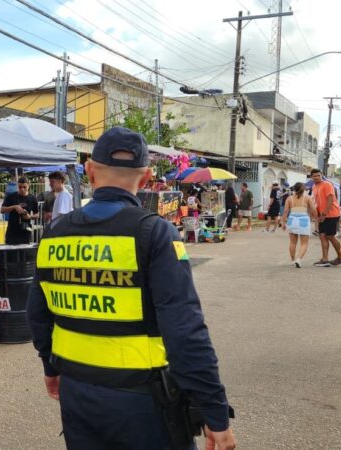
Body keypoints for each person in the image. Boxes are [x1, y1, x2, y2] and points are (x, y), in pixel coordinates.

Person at [27, 127, 236, 450]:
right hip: (143, 403)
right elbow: (185, 331)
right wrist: (214, 411)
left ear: (89, 170)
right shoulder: (155, 233)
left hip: (77, 394)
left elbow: (38, 314)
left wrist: (50, 366)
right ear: (148, 177)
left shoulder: (55, 233)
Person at [311, 168, 341, 267]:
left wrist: (324, 214)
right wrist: (317, 214)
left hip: (332, 214)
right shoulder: (314, 186)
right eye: (315, 176)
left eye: (318, 175)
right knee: (322, 236)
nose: (317, 177)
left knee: (330, 236)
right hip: (322, 215)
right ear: (311, 177)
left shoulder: (327, 184)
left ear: (321, 175)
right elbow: (318, 201)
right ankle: (325, 259)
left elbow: (330, 199)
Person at [282, 182, 316, 268]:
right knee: (304, 243)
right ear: (304, 189)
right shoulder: (307, 198)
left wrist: (283, 222)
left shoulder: (289, 198)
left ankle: (293, 260)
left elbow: (285, 212)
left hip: (292, 220)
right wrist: (316, 218)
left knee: (293, 242)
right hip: (303, 220)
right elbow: (313, 210)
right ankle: (299, 259)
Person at [1, 177, 39, 244]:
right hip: (12, 231)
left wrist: (29, 216)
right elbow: (2, 210)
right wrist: (14, 207)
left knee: (25, 253)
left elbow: (37, 214)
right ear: (17, 186)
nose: (22, 189)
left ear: (28, 186)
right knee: (11, 253)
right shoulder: (11, 196)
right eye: (20, 187)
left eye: (24, 187)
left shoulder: (32, 198)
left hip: (26, 230)